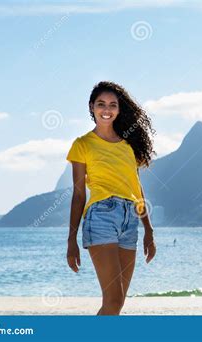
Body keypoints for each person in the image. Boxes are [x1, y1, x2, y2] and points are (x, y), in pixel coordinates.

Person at [66, 81, 156, 315]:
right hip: (101, 216)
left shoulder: (128, 145)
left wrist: (149, 229)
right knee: (113, 301)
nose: (107, 109)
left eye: (112, 105)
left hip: (131, 220)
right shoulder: (82, 144)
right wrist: (71, 240)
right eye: (101, 104)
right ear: (92, 107)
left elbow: (137, 188)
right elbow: (78, 194)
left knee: (116, 304)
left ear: (119, 109)